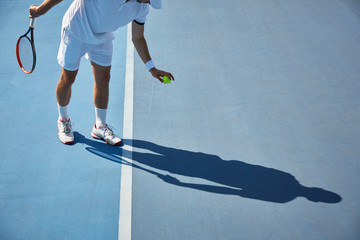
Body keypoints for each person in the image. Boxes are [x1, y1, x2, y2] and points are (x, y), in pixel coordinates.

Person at [29, 0, 174, 146]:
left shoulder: (142, 8)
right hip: (76, 29)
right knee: (68, 78)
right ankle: (63, 120)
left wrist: (152, 68)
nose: (148, 3)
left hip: (102, 36)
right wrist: (41, 10)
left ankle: (100, 126)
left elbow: (138, 37)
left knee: (103, 79)